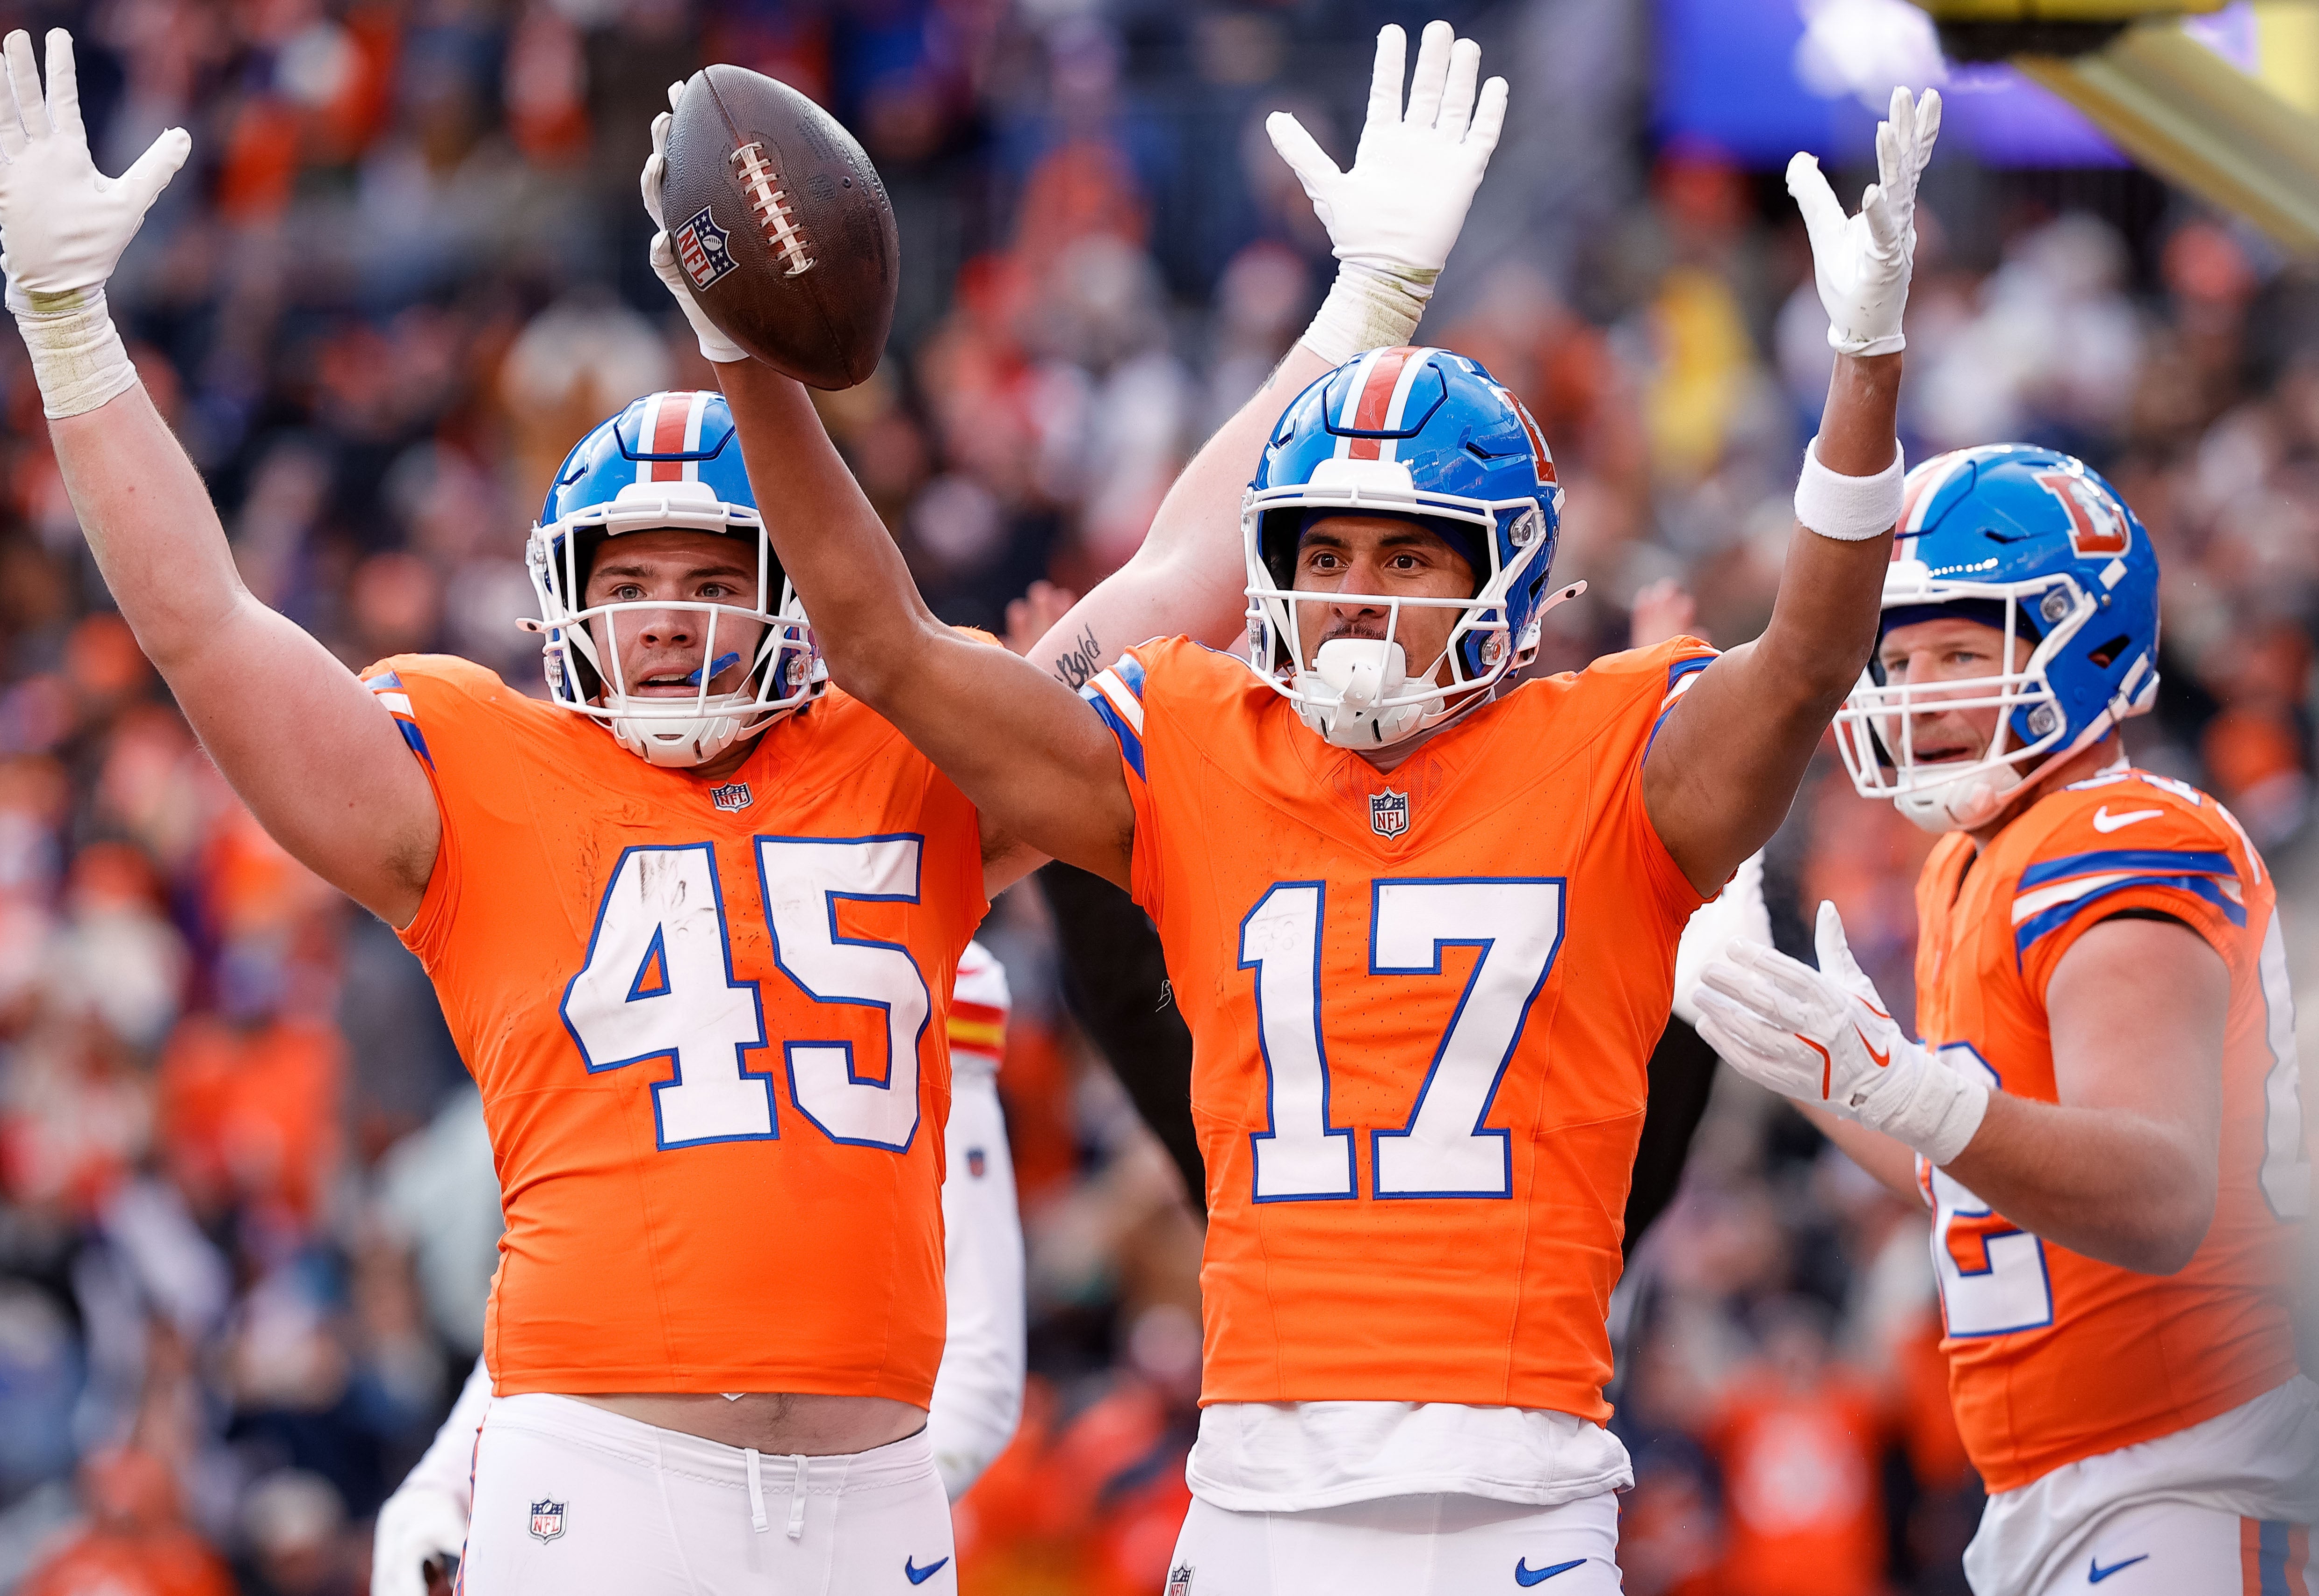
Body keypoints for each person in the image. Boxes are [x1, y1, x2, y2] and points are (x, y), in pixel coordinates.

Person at [0, 22, 1502, 1591]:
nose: (673, 619)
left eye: (716, 577)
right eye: (631, 582)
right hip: (603, 1471)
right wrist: (68, 324)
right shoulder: (475, 769)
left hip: (878, 1486)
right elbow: (205, 623)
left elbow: (1181, 575)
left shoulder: (903, 748)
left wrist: (1363, 307)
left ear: (794, 587)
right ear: (565, 603)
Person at [705, 9, 1943, 1569]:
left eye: (1408, 553)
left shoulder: (1611, 748)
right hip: (1259, 1499)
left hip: (1524, 1501)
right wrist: (744, 351)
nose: (1358, 593)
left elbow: (1811, 664)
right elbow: (883, 648)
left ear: (1505, 580)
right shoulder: (1197, 734)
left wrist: (1862, 385)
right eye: (1325, 552)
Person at [1687, 444, 2318, 1596]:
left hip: (2188, 1461)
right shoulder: (1969, 863)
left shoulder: (2120, 834)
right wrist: (1799, 1058)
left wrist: (1902, 1085)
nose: (1918, 692)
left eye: (1964, 654)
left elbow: (2157, 1192)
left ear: (2091, 644)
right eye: (1902, 658)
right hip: (2066, 1489)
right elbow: (1971, 1170)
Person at [372, 941, 1026, 1596]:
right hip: (618, 1490)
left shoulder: (915, 934)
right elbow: (583, 1283)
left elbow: (977, 1355)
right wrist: (446, 1476)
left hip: (826, 1513)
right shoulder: (620, 914)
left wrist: (846, 1507)